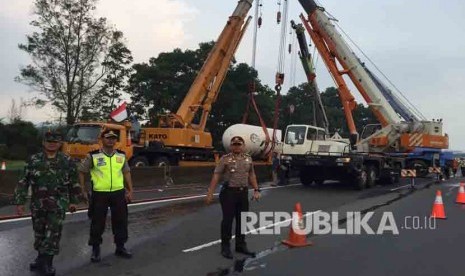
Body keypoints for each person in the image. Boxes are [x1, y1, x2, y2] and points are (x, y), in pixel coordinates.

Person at [14, 131, 81, 276]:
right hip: (38, 204)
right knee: (39, 233)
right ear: (43, 143)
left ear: (60, 143)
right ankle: (40, 259)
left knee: (53, 234)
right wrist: (20, 202)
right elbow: (23, 181)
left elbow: (74, 182)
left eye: (55, 141)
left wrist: (74, 201)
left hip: (58, 204)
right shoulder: (33, 160)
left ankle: (47, 263)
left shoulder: (67, 161)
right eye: (49, 141)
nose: (52, 143)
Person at [78, 129, 134, 262]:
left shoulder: (121, 155)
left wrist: (130, 190)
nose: (111, 140)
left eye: (113, 138)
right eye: (108, 138)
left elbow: (126, 173)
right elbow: (81, 171)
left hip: (118, 193)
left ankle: (120, 247)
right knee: (97, 222)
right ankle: (95, 249)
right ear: (102, 139)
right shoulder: (93, 156)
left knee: (121, 221)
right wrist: (83, 189)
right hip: (99, 194)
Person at [206, 136, 261, 259]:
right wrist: (210, 192)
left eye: (239, 144)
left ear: (243, 146)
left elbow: (252, 174)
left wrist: (256, 190)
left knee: (242, 220)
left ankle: (240, 245)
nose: (236, 146)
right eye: (234, 144)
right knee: (227, 221)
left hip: (243, 193)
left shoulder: (248, 158)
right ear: (231, 146)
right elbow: (216, 175)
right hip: (229, 193)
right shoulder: (225, 159)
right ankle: (225, 248)